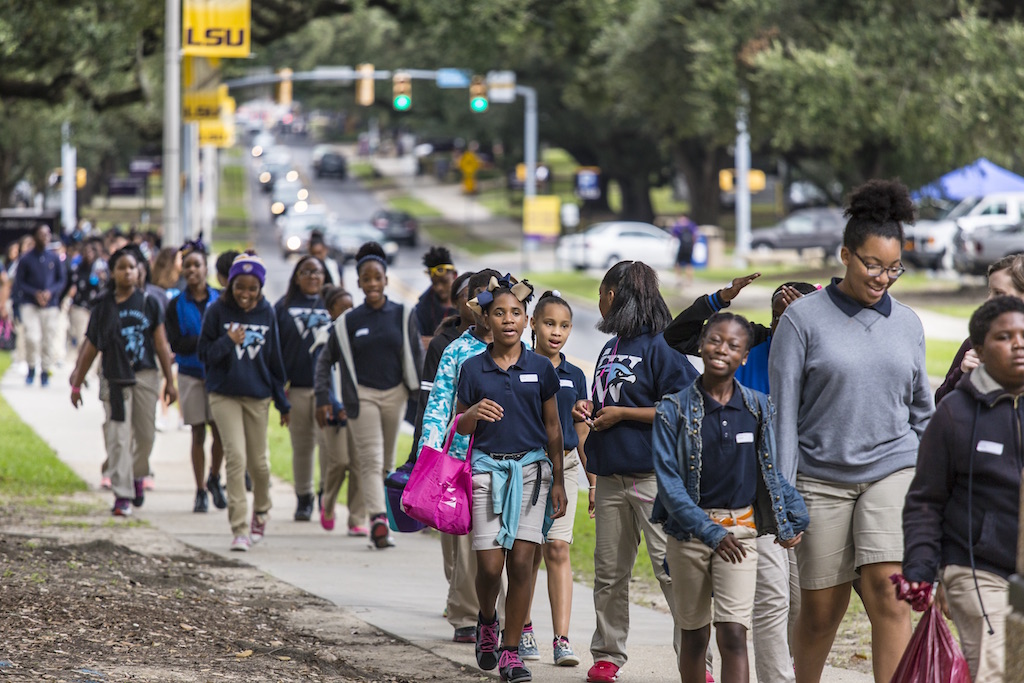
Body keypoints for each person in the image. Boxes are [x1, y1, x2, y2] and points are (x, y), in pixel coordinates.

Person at [768, 179, 933, 683]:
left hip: (892, 468)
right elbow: (782, 414)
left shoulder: (907, 324)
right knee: (821, 610)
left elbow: (922, 412)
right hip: (820, 479)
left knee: (890, 592)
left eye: (893, 268)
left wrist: (933, 486)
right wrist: (783, 493)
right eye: (872, 265)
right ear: (845, 254)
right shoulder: (802, 320)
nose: (883, 278)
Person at [652, 312, 808, 683]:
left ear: (745, 356)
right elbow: (670, 486)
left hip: (740, 533)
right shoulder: (672, 410)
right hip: (688, 534)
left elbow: (767, 473)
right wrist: (710, 533)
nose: (722, 349)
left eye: (733, 345)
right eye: (715, 340)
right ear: (702, 344)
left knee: (734, 633)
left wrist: (795, 516)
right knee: (694, 636)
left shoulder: (758, 407)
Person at [579, 260, 698, 683]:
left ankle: (695, 662)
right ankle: (608, 654)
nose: (599, 300)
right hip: (611, 478)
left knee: (673, 573)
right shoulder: (610, 347)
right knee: (609, 573)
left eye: (601, 292)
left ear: (613, 296)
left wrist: (624, 414)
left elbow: (686, 407)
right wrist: (590, 410)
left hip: (654, 479)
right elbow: (606, 399)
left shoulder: (662, 346)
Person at [902, 296, 1024, 683]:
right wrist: (921, 568)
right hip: (977, 565)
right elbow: (925, 498)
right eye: (1005, 337)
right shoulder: (955, 413)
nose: (1019, 344)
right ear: (980, 349)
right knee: (995, 668)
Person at [455, 279, 568, 683]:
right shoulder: (472, 368)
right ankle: (488, 620)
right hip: (488, 471)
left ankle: (510, 650)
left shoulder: (540, 367)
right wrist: (473, 415)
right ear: (485, 318)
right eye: (499, 313)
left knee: (522, 563)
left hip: (534, 473)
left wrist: (557, 479)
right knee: (489, 565)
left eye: (515, 313)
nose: (508, 320)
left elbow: (553, 427)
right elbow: (460, 425)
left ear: (527, 321)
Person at [313, 242, 421, 549]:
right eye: (366, 278)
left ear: (386, 280)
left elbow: (416, 355)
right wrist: (323, 397)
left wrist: (421, 394)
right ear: (359, 283)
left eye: (377, 277)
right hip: (362, 397)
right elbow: (325, 360)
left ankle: (377, 515)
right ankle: (377, 520)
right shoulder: (348, 321)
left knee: (386, 462)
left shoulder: (403, 315)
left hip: (395, 395)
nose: (372, 283)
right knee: (370, 460)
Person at [414, 268, 502, 643]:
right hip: (464, 459)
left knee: (505, 546)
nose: (489, 309)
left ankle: (511, 621)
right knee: (468, 544)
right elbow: (437, 407)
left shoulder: (519, 349)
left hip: (512, 459)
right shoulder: (456, 350)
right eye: (481, 299)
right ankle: (468, 615)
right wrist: (428, 458)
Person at [68, 246, 177, 516]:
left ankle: (138, 474)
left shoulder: (149, 303)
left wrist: (170, 383)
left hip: (146, 376)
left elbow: (161, 344)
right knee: (118, 435)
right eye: (121, 267)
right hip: (114, 377)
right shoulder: (103, 307)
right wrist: (77, 382)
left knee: (145, 434)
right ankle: (122, 493)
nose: (127, 272)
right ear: (113, 273)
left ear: (140, 271)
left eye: (132, 267)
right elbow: (91, 346)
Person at [199, 252, 291, 552]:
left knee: (259, 465)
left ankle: (262, 508)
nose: (246, 294)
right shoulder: (216, 311)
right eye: (240, 287)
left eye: (252, 288)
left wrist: (282, 403)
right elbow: (204, 355)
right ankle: (239, 528)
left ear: (261, 288)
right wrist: (228, 340)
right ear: (230, 285)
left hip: (258, 396)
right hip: (223, 394)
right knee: (236, 459)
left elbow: (275, 360)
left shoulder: (267, 313)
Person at [521, 290, 593, 666]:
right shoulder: (521, 364)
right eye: (549, 323)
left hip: (566, 466)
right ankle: (524, 628)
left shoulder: (574, 374)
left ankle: (562, 639)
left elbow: (581, 432)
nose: (557, 332)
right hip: (530, 467)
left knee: (558, 549)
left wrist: (592, 479)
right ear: (533, 323)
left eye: (564, 326)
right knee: (527, 552)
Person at [165, 239, 225, 513]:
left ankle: (215, 477)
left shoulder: (220, 300)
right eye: (187, 266)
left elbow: (226, 336)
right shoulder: (176, 304)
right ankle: (200, 489)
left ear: (205, 268)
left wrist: (202, 342)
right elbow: (177, 342)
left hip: (218, 373)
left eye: (197, 265)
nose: (192, 270)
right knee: (197, 431)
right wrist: (206, 342)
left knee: (220, 430)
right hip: (190, 373)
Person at [275, 255, 333, 521]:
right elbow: (274, 353)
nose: (312, 276)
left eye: (317, 271)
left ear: (325, 276)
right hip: (296, 388)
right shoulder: (283, 307)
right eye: (306, 271)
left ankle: (324, 495)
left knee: (328, 447)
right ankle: (303, 497)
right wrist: (280, 394)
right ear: (296, 277)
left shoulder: (334, 305)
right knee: (302, 446)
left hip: (329, 392)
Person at [935, 254, 1024, 404]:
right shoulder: (975, 345)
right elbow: (940, 403)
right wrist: (962, 375)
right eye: (989, 292)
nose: (989, 300)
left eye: (999, 293)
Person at [312, 285, 365, 534]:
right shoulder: (326, 335)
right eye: (341, 308)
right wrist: (333, 404)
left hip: (358, 409)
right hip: (334, 410)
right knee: (339, 462)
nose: (347, 313)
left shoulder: (359, 334)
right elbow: (323, 373)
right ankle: (328, 502)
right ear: (330, 311)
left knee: (358, 464)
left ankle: (357, 519)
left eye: (351, 308)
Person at [16, 224, 66, 386]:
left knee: (48, 339)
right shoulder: (26, 259)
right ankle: (31, 368)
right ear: (35, 236)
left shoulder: (54, 258)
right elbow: (20, 282)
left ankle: (45, 371)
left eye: (48, 234)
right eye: (42, 234)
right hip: (31, 304)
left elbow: (61, 280)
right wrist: (35, 293)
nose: (45, 237)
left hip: (50, 305)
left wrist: (50, 292)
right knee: (32, 337)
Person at [62, 236, 107, 350]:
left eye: (92, 251)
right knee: (82, 338)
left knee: (97, 339)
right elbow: (68, 285)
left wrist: (104, 278)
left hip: (98, 307)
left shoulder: (102, 268)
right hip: (80, 305)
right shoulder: (77, 269)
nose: (89, 254)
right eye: (86, 251)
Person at [413, 246, 457, 349]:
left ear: (454, 275)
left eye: (444, 281)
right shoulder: (422, 307)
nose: (439, 288)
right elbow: (419, 342)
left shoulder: (467, 302)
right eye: (434, 283)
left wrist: (437, 342)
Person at [672, 216, 700, 286]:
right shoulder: (691, 225)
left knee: (678, 264)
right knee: (689, 264)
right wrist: (693, 245)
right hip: (689, 248)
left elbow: (674, 236)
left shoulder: (678, 226)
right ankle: (689, 281)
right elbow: (695, 236)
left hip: (681, 247)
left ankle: (679, 280)